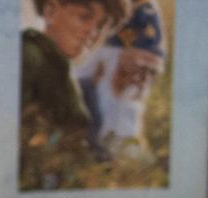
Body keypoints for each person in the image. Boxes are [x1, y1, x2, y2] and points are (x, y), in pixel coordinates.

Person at [21, 0, 128, 148]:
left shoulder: (62, 71)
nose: (93, 33)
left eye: (100, 26)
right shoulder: (29, 57)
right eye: (84, 17)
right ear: (50, 11)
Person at [75, 1, 165, 159]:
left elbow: (152, 52)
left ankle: (122, 145)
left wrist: (133, 61)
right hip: (106, 57)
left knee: (123, 102)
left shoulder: (145, 10)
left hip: (128, 62)